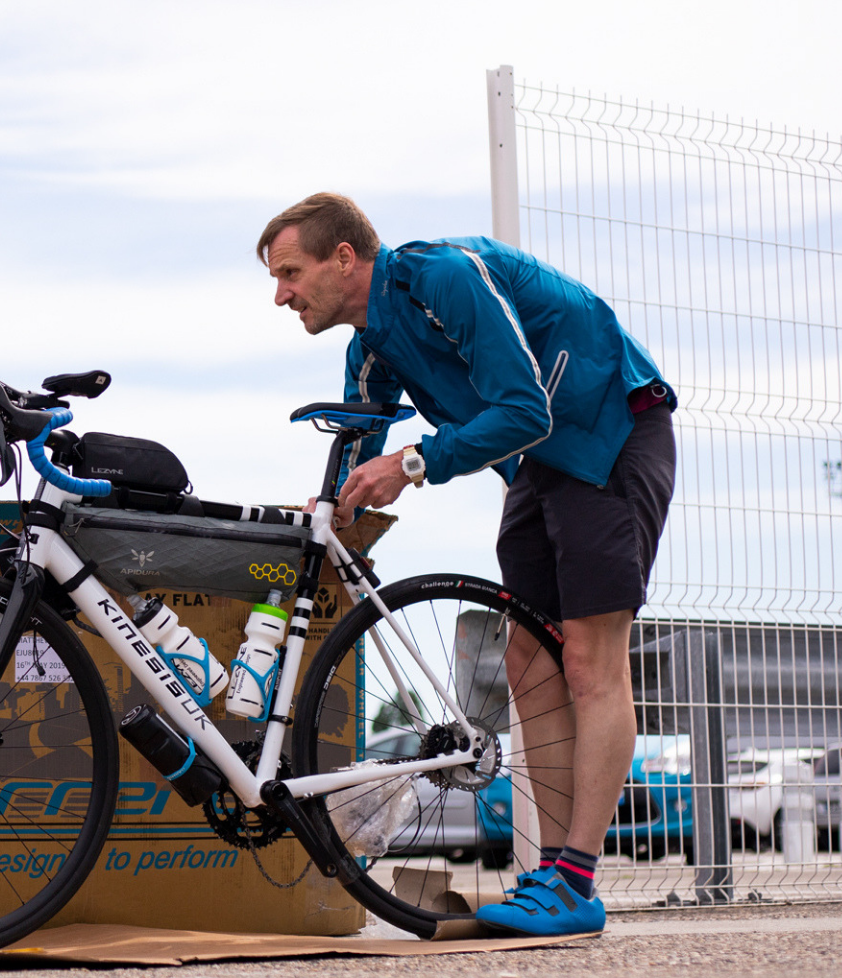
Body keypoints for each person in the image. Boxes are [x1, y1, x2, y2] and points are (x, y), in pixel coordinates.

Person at [259, 192, 676, 935]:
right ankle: (551, 874)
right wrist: (324, 512)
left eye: (290, 273)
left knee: (589, 659)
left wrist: (413, 463)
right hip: (537, 465)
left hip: (608, 430)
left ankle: (577, 882)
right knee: (529, 661)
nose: (281, 295)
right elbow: (360, 436)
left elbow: (525, 408)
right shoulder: (372, 345)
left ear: (344, 257)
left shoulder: (441, 276)